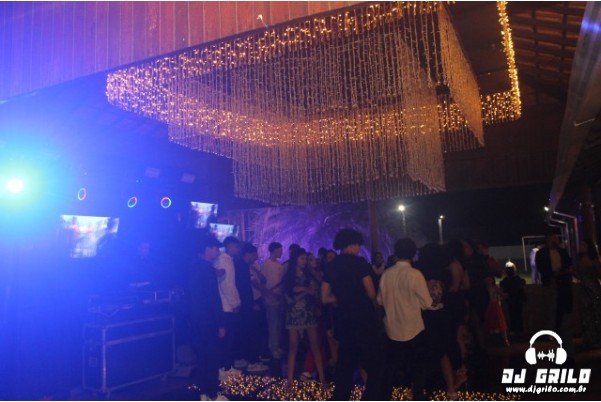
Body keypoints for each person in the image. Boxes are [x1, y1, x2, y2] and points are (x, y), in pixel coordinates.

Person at [321, 228, 386, 401]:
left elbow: (325, 297)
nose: (358, 248)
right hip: (364, 319)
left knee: (345, 364)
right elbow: (371, 293)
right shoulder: (360, 263)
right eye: (358, 245)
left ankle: (341, 397)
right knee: (374, 362)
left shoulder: (331, 266)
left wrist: (342, 298)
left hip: (343, 319)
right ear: (352, 244)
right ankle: (371, 397)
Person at [378, 238, 436, 400]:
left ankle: (384, 396)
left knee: (390, 367)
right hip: (413, 328)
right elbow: (427, 303)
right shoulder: (415, 274)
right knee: (418, 366)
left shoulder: (386, 274)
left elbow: (380, 300)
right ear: (413, 254)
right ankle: (417, 396)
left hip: (391, 328)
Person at [186, 234, 226, 399]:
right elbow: (213, 297)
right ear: (207, 249)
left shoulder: (191, 267)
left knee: (202, 357)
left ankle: (204, 393)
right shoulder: (207, 269)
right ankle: (213, 394)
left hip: (195, 318)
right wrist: (220, 323)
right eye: (216, 248)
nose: (218, 251)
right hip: (208, 319)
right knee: (212, 356)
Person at [282, 248, 325, 387]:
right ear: (295, 259)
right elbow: (288, 292)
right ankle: (289, 379)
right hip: (294, 313)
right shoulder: (289, 275)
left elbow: (317, 287)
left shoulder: (308, 274)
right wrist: (305, 290)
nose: (304, 261)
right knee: (293, 346)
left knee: (315, 345)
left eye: (305, 259)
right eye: (302, 259)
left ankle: (322, 377)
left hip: (307, 311)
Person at [233, 243, 268, 372]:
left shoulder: (240, 265)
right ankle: (252, 361)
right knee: (251, 331)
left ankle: (243, 358)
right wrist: (251, 303)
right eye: (254, 254)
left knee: (245, 331)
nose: (256, 256)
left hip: (244, 303)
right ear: (247, 254)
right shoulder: (243, 266)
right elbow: (245, 287)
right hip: (247, 303)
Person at [535, 230, 572, 330]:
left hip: (563, 282)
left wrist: (563, 272)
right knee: (551, 307)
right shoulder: (541, 253)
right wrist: (552, 273)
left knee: (563, 306)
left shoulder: (562, 251)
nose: (557, 240)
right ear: (548, 240)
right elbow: (540, 267)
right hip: (550, 282)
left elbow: (569, 264)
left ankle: (562, 327)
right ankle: (552, 329)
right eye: (554, 238)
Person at [214, 236, 242, 371]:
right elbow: (227, 285)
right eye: (237, 246)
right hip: (226, 306)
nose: (238, 249)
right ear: (230, 246)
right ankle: (225, 369)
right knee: (227, 339)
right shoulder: (224, 261)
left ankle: (227, 367)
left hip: (226, 305)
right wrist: (234, 303)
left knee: (228, 339)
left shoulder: (227, 260)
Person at [575, 239, 601, 349]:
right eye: (580, 244)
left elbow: (599, 273)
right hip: (584, 287)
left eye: (583, 245)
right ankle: (589, 339)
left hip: (593, 288)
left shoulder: (593, 258)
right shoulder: (579, 258)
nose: (581, 247)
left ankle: (597, 339)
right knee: (586, 314)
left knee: (596, 312)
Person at [261, 242, 286, 359]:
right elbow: (263, 283)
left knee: (278, 324)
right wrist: (269, 294)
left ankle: (277, 346)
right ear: (274, 251)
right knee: (273, 325)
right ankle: (273, 348)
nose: (281, 252)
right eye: (280, 250)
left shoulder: (279, 264)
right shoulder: (266, 265)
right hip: (270, 299)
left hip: (279, 298)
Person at [500, 262, 527, 334]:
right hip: (518, 301)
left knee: (512, 316)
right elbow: (523, 282)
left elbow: (501, 284)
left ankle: (514, 331)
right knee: (519, 316)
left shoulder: (505, 281)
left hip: (510, 301)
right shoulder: (517, 279)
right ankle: (520, 331)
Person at [483, 276, 509, 346]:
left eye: (489, 279)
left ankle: (505, 340)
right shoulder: (486, 289)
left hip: (495, 306)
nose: (488, 281)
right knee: (492, 323)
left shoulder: (494, 287)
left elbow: (501, 294)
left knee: (500, 322)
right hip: (490, 306)